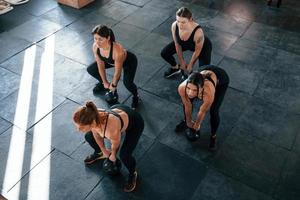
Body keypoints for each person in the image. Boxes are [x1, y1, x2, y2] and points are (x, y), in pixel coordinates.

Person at [73, 101, 144, 192]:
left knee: (124, 155)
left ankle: (133, 173)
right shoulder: (92, 115)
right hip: (118, 110)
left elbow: (116, 143)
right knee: (88, 136)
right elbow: (96, 135)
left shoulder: (110, 128)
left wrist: (113, 155)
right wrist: (104, 150)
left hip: (135, 122)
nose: (78, 129)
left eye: (81, 127)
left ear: (92, 123)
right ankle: (99, 153)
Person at [176, 65, 229, 150]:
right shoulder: (182, 88)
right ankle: (185, 120)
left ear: (201, 88)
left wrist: (197, 124)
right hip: (204, 70)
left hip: (221, 79)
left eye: (194, 90)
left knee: (214, 111)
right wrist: (189, 121)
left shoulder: (208, 92)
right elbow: (187, 105)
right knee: (187, 101)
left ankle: (213, 136)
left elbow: (202, 111)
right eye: (188, 88)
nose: (190, 93)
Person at [87, 25, 140, 109]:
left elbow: (117, 73)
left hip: (128, 62)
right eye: (95, 38)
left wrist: (113, 86)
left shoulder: (118, 51)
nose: (97, 42)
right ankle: (102, 84)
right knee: (91, 69)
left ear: (108, 38)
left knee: (128, 83)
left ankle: (136, 96)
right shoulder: (96, 47)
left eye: (100, 39)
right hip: (111, 61)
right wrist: (105, 82)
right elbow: (100, 65)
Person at [161, 7, 212, 78]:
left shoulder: (198, 33)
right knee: (164, 53)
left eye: (183, 22)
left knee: (203, 72)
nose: (180, 25)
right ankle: (175, 68)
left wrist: (191, 65)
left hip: (203, 47)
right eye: (178, 21)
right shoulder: (174, 26)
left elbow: (197, 51)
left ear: (190, 19)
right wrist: (181, 62)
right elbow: (177, 44)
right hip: (184, 44)